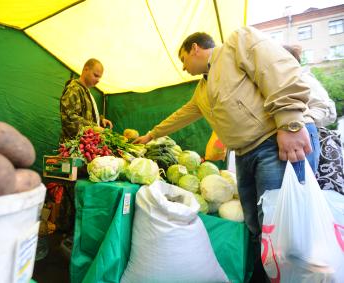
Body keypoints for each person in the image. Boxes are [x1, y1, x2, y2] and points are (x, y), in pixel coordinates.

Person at [134, 27, 320, 281]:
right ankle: (263, 276)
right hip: (245, 153)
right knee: (256, 226)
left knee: (282, 230)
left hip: (273, 143)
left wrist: (290, 122)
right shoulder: (202, 89)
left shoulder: (236, 44)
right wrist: (151, 134)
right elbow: (182, 115)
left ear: (195, 49)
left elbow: (276, 68)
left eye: (183, 59)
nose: (184, 67)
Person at [283, 45, 343, 195]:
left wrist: (297, 122)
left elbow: (328, 110)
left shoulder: (302, 78)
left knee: (302, 191)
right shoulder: (280, 81)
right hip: (291, 142)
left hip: (306, 139)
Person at [60, 58, 113, 142]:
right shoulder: (74, 89)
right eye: (95, 75)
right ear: (86, 69)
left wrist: (100, 120)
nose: (98, 80)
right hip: (73, 149)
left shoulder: (85, 91)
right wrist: (94, 128)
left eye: (99, 78)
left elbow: (86, 114)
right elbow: (70, 119)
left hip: (86, 147)